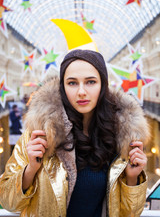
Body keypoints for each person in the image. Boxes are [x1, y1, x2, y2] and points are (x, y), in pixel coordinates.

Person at [0, 49, 150, 217]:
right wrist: (31, 169)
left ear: (103, 85)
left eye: (90, 82)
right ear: (63, 87)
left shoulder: (122, 138)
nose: (81, 92)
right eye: (72, 83)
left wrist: (132, 178)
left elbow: (129, 213)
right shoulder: (39, 133)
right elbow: (8, 202)